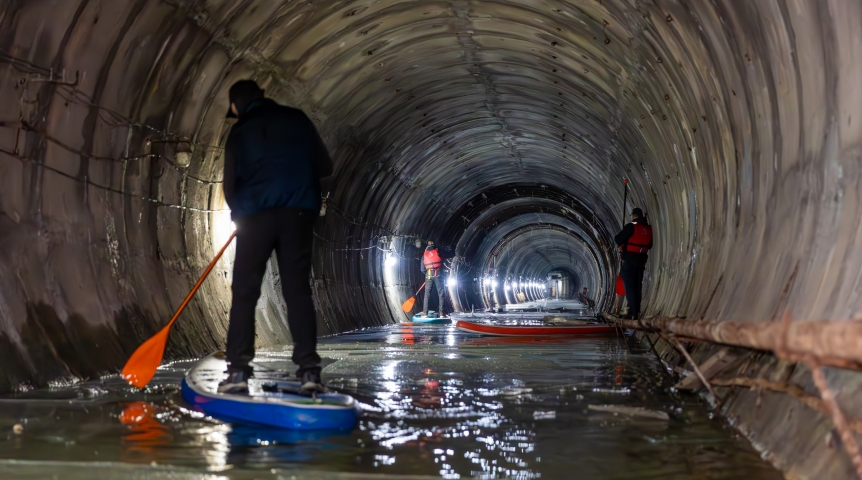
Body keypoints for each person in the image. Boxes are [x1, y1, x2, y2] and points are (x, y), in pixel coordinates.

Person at [219, 80, 333, 393]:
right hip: (297, 215)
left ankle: (239, 373)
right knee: (297, 292)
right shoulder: (297, 119)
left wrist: (239, 214)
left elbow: (230, 184)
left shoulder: (241, 130)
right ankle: (310, 372)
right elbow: (325, 166)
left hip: (255, 218)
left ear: (236, 105)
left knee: (245, 293)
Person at [614, 207, 653, 319]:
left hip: (629, 261)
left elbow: (617, 239)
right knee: (637, 286)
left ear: (634, 216)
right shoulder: (648, 229)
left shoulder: (631, 227)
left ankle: (633, 312)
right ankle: (637, 310)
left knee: (630, 286)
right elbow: (649, 245)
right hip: (641, 262)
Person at [419, 240, 446, 316]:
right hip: (438, 273)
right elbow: (442, 263)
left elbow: (422, 269)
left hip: (429, 274)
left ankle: (425, 312)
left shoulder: (424, 255)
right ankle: (441, 313)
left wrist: (427, 274)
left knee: (427, 294)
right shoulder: (438, 252)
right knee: (440, 293)